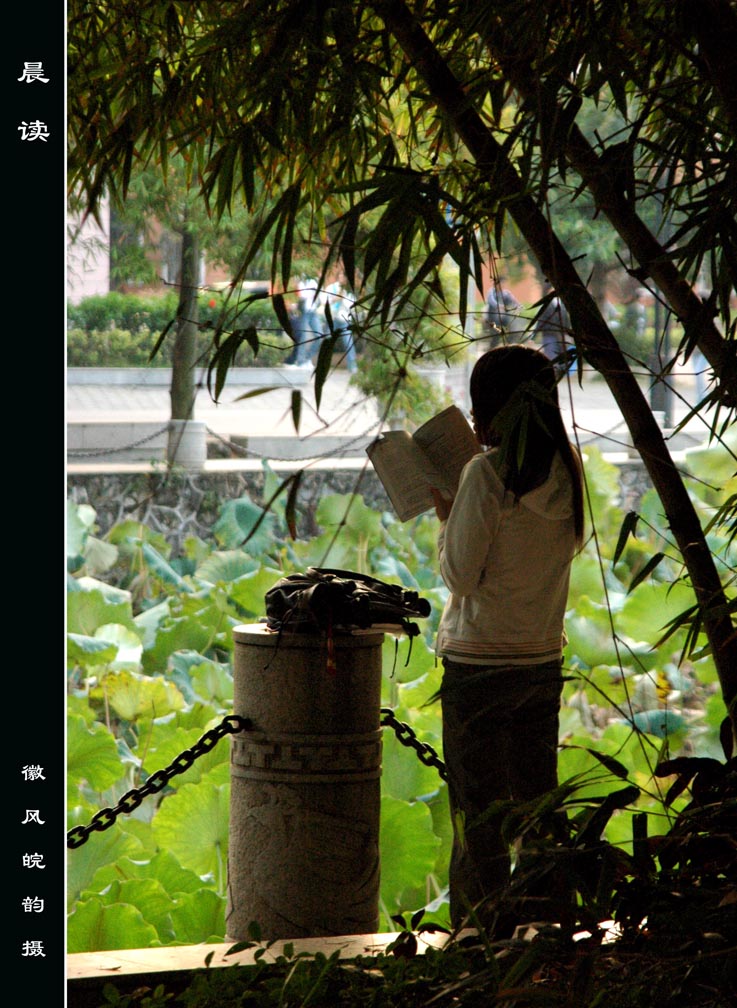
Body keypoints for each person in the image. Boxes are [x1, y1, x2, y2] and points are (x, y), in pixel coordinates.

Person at [430, 345, 585, 933]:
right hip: (541, 661)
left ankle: (478, 944)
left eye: (479, 408)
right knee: (537, 811)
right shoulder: (567, 468)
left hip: (479, 667)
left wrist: (446, 515)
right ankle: (546, 935)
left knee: (480, 821)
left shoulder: (485, 473)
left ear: (496, 410)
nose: (474, 423)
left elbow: (460, 576)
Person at [535, 283, 573, 376]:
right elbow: (541, 321)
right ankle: (552, 375)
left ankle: (561, 373)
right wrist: (534, 335)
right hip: (549, 335)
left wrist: (569, 334)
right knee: (551, 356)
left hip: (561, 336)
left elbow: (566, 321)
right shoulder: (546, 305)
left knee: (562, 356)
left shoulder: (562, 305)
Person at [285, 277, 324, 366]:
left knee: (319, 336)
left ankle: (307, 358)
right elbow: (301, 295)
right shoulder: (301, 281)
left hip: (313, 311)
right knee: (303, 336)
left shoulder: (315, 280)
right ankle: (301, 361)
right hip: (304, 311)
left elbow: (320, 295)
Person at [324, 277, 358, 373]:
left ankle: (352, 365)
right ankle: (323, 363)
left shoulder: (349, 290)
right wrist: (335, 299)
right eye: (341, 276)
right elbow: (324, 301)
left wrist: (343, 298)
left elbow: (352, 305)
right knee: (327, 340)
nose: (342, 279)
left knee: (348, 341)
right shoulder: (332, 288)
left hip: (344, 319)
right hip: (332, 319)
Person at [484, 284, 521, 348]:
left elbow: (513, 301)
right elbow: (492, 301)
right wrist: (500, 306)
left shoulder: (505, 293)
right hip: (493, 318)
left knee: (512, 328)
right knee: (495, 335)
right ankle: (493, 347)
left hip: (503, 317)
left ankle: (509, 344)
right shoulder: (491, 293)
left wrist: (518, 305)